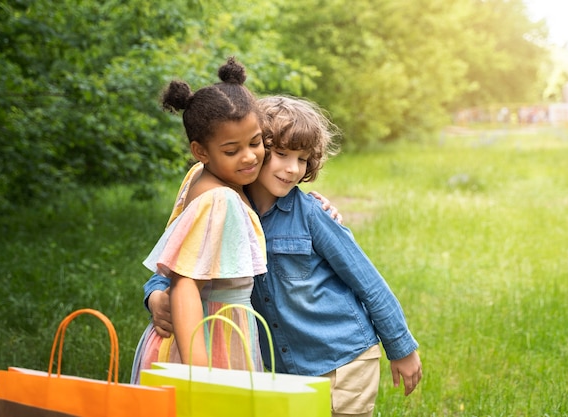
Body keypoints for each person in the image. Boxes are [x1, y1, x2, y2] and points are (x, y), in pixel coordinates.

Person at [143, 96, 422, 417]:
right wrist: (154, 295)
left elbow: (368, 283)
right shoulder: (225, 206)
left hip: (341, 360)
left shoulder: (312, 215)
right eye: (282, 155)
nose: (292, 169)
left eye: (303, 159)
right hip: (278, 369)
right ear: (259, 148)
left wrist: (401, 348)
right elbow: (178, 259)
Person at [130, 57, 268, 385]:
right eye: (232, 151)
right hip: (208, 340)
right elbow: (185, 285)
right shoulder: (219, 200)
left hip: (207, 332)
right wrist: (200, 375)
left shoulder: (199, 177)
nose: (249, 156)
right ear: (200, 151)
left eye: (255, 142)